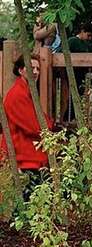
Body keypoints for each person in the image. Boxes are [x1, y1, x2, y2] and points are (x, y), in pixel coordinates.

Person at [1, 54, 54, 188]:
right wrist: (50, 124)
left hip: (29, 158)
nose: (35, 72)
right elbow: (35, 126)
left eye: (37, 68)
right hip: (25, 160)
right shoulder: (18, 94)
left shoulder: (26, 92)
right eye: (31, 68)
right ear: (20, 70)